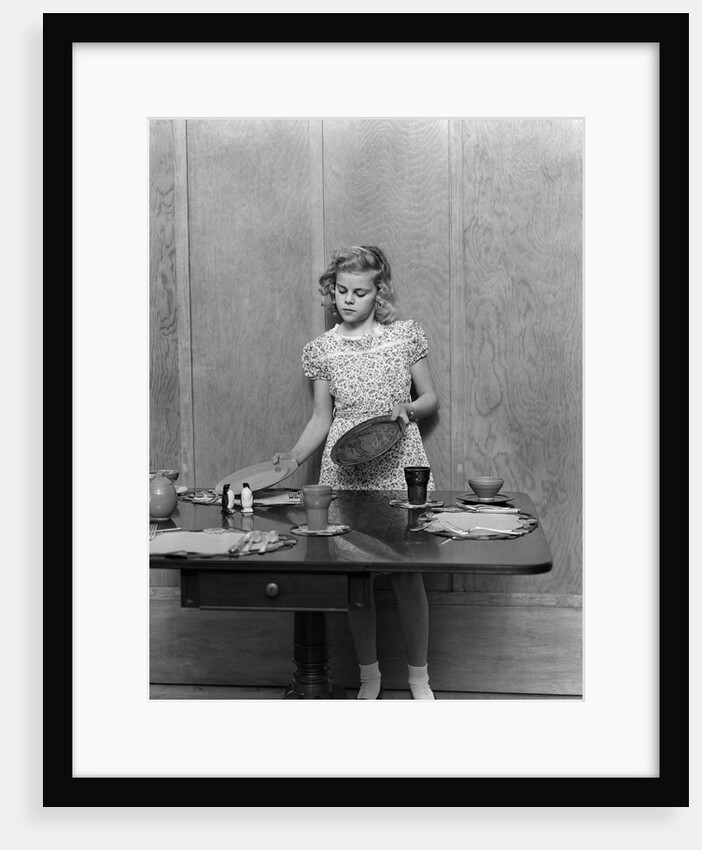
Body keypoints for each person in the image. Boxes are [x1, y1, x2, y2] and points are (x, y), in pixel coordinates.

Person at [272, 245, 440, 700]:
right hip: (343, 469)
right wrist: (289, 459)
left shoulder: (405, 336)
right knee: (356, 575)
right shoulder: (321, 350)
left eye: (359, 292)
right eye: (340, 290)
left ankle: (419, 680)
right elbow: (321, 419)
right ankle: (370, 677)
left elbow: (430, 399)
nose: (347, 300)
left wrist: (407, 407)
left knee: (408, 573)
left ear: (378, 293)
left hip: (399, 461)